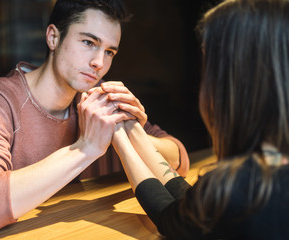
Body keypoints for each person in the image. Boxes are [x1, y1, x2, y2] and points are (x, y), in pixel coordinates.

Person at [0, 0, 189, 239]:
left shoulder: (98, 96)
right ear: (53, 37)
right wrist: (85, 149)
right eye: (88, 42)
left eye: (109, 52)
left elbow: (179, 160)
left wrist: (135, 131)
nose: (99, 63)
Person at [112, 0, 289, 239]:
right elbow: (192, 205)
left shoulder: (240, 190)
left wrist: (118, 136)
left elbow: (170, 218)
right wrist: (132, 129)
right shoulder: (263, 169)